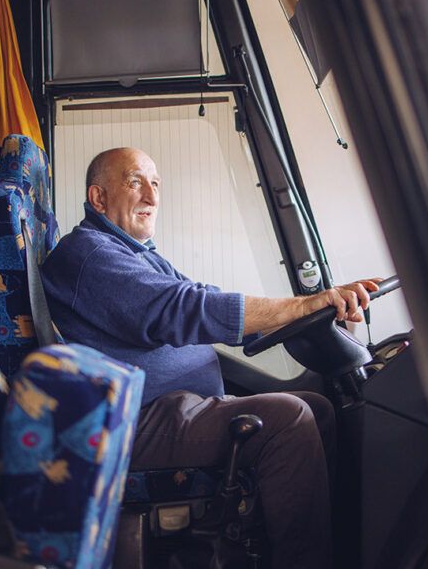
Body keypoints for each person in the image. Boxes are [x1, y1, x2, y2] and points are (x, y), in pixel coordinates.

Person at [41, 147, 380, 569]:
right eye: (134, 182)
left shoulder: (136, 253)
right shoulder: (89, 254)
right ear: (99, 198)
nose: (151, 195)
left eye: (156, 183)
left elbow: (203, 299)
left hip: (177, 408)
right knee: (289, 420)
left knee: (317, 409)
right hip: (137, 419)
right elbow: (181, 309)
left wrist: (310, 309)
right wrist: (302, 306)